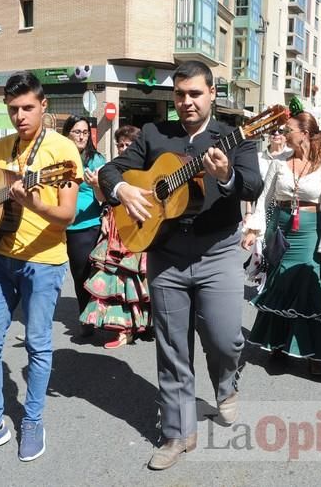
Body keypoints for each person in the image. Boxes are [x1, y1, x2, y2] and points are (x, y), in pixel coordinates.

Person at [98, 60, 263, 470]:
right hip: (166, 255)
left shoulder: (233, 137)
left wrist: (225, 178)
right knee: (172, 349)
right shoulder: (155, 134)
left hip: (218, 250)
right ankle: (177, 432)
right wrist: (123, 190)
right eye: (180, 94)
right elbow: (109, 170)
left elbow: (253, 184)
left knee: (226, 340)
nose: (186, 102)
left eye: (195, 94)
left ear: (212, 94)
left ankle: (226, 385)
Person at [0, 71, 82, 464]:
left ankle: (32, 420)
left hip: (43, 263)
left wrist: (35, 204)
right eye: (13, 109)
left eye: (28, 107)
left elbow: (66, 215)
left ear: (44, 106)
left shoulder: (62, 153)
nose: (20, 116)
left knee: (39, 345)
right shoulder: (2, 149)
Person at [242, 111, 321, 376]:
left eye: (289, 130)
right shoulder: (279, 161)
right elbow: (266, 201)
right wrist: (254, 230)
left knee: (308, 288)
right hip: (281, 229)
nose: (284, 134)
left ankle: (314, 352)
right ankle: (277, 345)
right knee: (280, 284)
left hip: (309, 231)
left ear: (304, 134)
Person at [80, 125, 151, 348]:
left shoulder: (144, 168)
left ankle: (143, 324)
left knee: (137, 281)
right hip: (114, 227)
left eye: (128, 145)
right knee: (117, 281)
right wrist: (95, 186)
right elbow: (104, 199)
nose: (123, 148)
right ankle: (123, 328)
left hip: (138, 228)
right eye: (120, 145)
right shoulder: (111, 169)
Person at [62, 115, 106, 331]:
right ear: (67, 134)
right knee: (77, 273)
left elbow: (104, 196)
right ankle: (86, 315)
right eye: (77, 132)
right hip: (61, 225)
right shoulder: (58, 158)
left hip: (87, 226)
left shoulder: (95, 159)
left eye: (85, 132)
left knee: (87, 273)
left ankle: (92, 318)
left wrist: (97, 184)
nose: (81, 136)